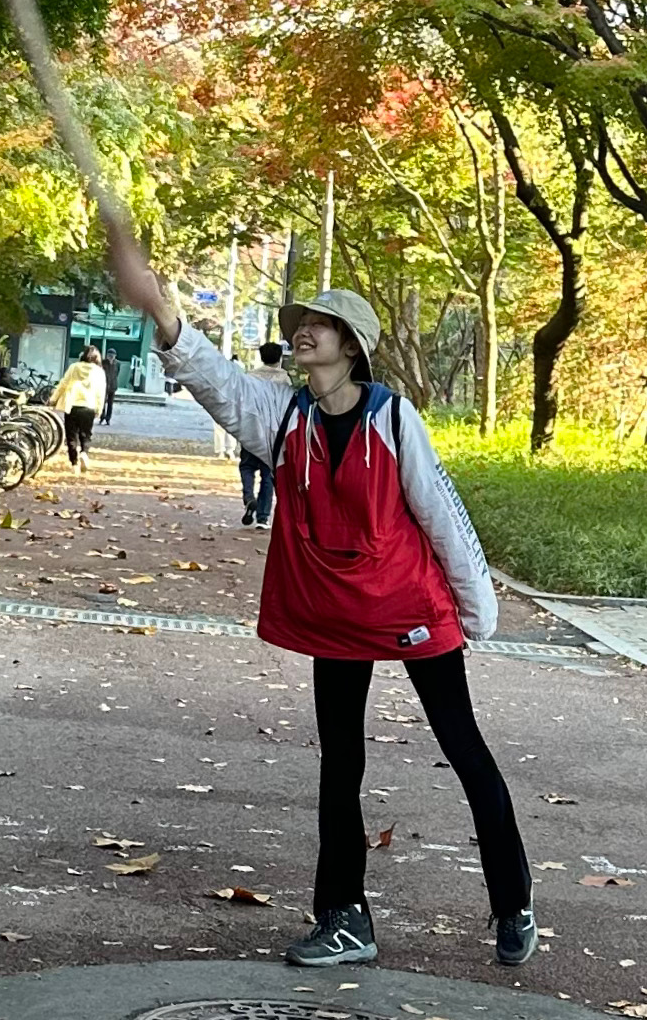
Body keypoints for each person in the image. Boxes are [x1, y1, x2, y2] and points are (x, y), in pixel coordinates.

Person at [110, 235, 536, 972]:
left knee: (464, 748)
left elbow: (441, 513)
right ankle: (344, 918)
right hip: (334, 615)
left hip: (409, 605)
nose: (303, 331)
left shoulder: (392, 419)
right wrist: (164, 312)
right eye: (301, 322)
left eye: (320, 324)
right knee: (340, 764)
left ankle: (513, 902)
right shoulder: (284, 418)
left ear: (351, 345)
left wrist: (476, 612)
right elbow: (216, 382)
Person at [239, 342, 282, 527]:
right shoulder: (284, 379)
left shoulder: (250, 377)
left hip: (251, 428)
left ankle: (249, 497)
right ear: (279, 358)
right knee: (267, 474)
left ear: (261, 357)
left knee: (247, 466)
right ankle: (263, 517)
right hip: (272, 432)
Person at [51, 343, 106, 469]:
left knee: (71, 435)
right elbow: (101, 392)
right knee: (86, 434)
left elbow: (63, 384)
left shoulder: (74, 367)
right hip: (89, 406)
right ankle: (84, 453)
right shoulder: (99, 372)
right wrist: (99, 408)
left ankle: (74, 463)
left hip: (72, 405)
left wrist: (53, 399)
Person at [100, 346, 120, 428]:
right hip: (104, 385)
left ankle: (108, 419)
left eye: (112, 355)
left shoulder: (117, 363)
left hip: (113, 385)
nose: (111, 357)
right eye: (109, 355)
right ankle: (102, 417)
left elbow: (117, 373)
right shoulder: (103, 362)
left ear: (115, 356)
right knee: (102, 403)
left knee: (110, 403)